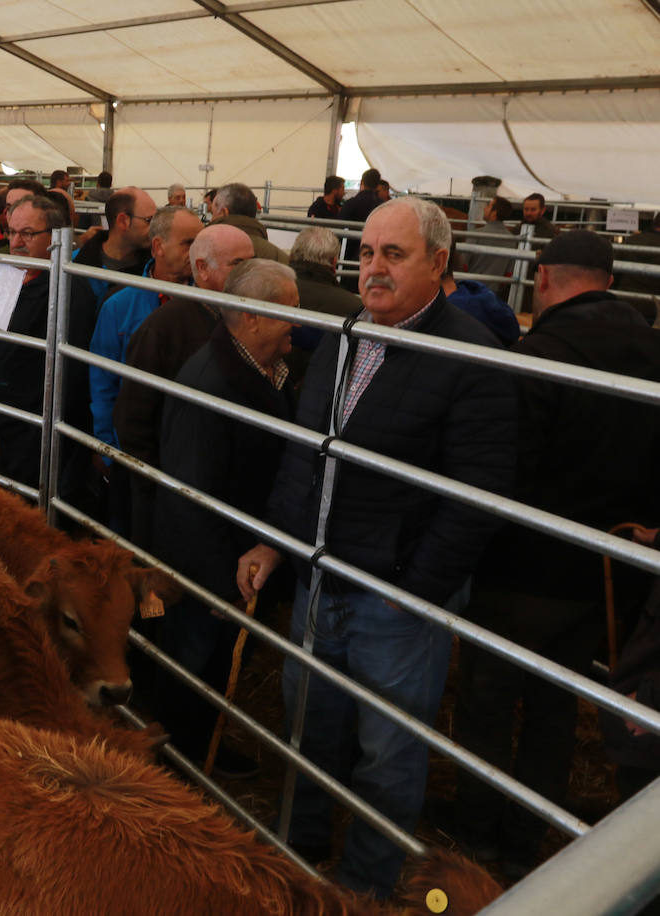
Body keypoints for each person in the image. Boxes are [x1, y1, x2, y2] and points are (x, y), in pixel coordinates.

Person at [237, 196, 516, 899]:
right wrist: (276, 544)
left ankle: (364, 887)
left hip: (392, 598)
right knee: (309, 729)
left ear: (439, 264)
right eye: (366, 254)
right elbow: (308, 455)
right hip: (319, 576)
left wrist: (414, 585)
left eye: (394, 255)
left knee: (386, 754)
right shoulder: (345, 333)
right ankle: (297, 858)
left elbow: (477, 494)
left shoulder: (470, 358)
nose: (374, 270)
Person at [445, 230, 660, 879]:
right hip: (612, 571)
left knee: (488, 698)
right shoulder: (652, 349)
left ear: (542, 279)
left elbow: (511, 467)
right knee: (556, 704)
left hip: (527, 570)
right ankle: (527, 837)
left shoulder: (540, 353)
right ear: (610, 279)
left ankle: (478, 835)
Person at [153, 258, 299, 770]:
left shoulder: (258, 368)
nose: (298, 323)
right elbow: (191, 494)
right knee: (193, 669)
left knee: (216, 669)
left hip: (236, 559)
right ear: (253, 317)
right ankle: (180, 773)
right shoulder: (213, 381)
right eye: (288, 312)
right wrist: (218, 584)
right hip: (210, 570)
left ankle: (204, 750)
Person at [114, 223, 253, 549]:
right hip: (173, 494)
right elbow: (132, 421)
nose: (250, 273)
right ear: (202, 269)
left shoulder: (246, 319)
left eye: (252, 262)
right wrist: (161, 485)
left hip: (223, 492)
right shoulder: (163, 328)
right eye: (238, 264)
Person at [87, 207, 204, 532]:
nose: (197, 254)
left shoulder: (210, 303)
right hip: (132, 451)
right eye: (188, 243)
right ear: (157, 247)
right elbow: (102, 383)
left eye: (201, 243)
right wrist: (108, 449)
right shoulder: (119, 305)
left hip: (185, 456)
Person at [0, 196, 95, 487]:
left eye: (27, 233)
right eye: (11, 232)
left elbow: (71, 376)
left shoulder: (70, 289)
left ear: (55, 238)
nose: (15, 242)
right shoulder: (2, 271)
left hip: (31, 427)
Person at [285, 226, 363, 384]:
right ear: (334, 262)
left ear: (292, 255)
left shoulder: (267, 291)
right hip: (324, 390)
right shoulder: (355, 307)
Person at [73, 187, 156, 308]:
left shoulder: (155, 268)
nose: (155, 229)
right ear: (123, 221)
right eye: (149, 220)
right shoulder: (74, 265)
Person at [441, 241, 520, 346]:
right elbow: (509, 274)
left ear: (439, 262)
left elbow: (465, 265)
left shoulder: (447, 319)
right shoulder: (495, 308)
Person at [209, 183, 288, 264]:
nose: (211, 220)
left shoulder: (206, 249)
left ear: (224, 213)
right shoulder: (279, 257)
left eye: (212, 213)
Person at [462, 195, 517, 298]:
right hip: (493, 295)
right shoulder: (512, 240)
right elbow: (509, 274)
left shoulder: (475, 234)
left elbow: (463, 265)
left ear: (494, 213)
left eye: (489, 206)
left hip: (470, 291)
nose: (484, 208)